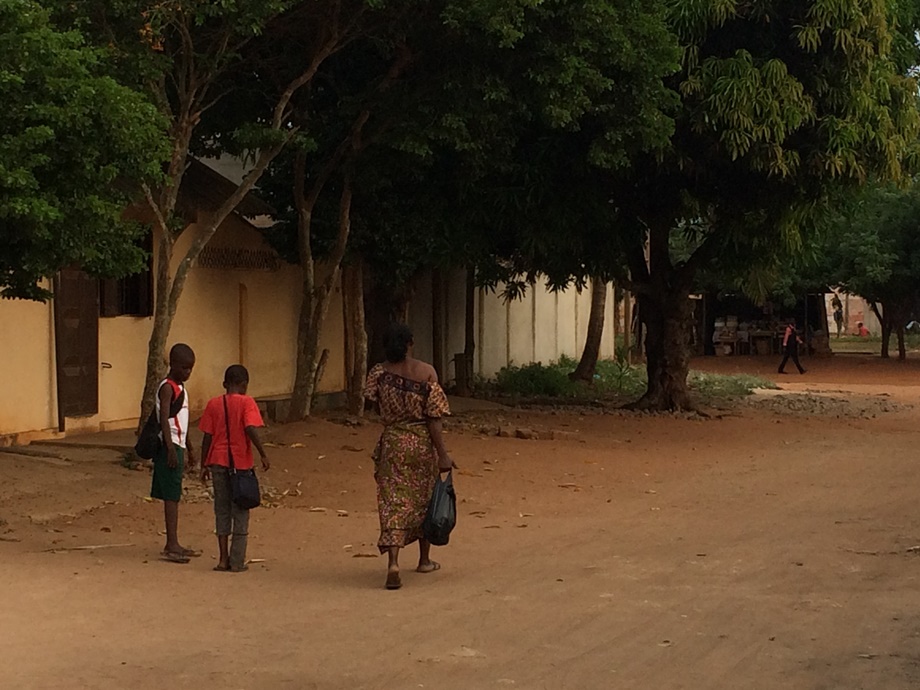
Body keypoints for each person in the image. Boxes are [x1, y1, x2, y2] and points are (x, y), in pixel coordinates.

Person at [363, 323, 453, 591]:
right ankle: (424, 559)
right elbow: (434, 419)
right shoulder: (427, 373)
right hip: (421, 444)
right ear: (410, 343)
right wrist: (443, 454)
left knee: (392, 501)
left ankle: (393, 561)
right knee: (424, 498)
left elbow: (371, 401)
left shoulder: (379, 373)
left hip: (392, 443)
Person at [199, 365, 270, 573]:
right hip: (241, 464)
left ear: (224, 384)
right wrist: (263, 453)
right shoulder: (247, 402)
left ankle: (222, 559)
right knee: (241, 510)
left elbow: (207, 437)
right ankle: (237, 560)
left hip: (218, 462)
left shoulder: (213, 404)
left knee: (221, 510)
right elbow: (250, 428)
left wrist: (204, 464)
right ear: (245, 385)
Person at [152, 343, 199, 563]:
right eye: (184, 368)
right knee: (171, 496)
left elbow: (181, 421)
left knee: (175, 494)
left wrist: (189, 447)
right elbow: (164, 420)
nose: (188, 372)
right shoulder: (168, 387)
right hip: (169, 447)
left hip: (178, 444)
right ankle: (171, 544)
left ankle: (174, 542)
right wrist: (170, 448)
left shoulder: (180, 388)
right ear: (173, 365)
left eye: (191, 368)